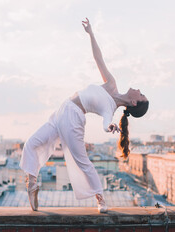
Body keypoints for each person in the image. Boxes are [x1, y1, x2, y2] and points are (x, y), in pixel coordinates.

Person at [19, 18, 149, 213]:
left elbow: (106, 123)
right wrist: (91, 34)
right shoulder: (111, 84)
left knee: (83, 162)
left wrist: (110, 127)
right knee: (31, 143)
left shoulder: (110, 108)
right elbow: (99, 58)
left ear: (134, 103)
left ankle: (101, 199)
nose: (138, 89)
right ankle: (32, 183)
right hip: (62, 110)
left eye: (140, 94)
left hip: (73, 119)